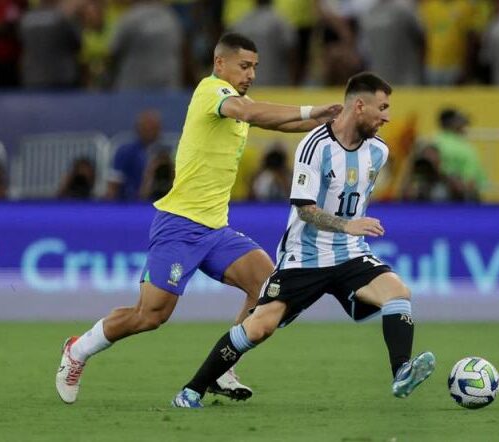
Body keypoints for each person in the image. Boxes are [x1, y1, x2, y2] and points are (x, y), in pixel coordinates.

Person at [55, 32, 342, 405]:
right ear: (220, 63)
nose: (250, 73)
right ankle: (78, 350)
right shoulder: (212, 92)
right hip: (179, 225)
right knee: (151, 315)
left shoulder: (240, 103)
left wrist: (334, 123)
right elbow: (253, 112)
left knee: (267, 285)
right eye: (244, 66)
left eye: (255, 67)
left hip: (216, 230)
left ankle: (223, 366)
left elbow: (279, 124)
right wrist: (313, 110)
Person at [171, 72, 435, 409]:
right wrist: (347, 225)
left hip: (350, 255)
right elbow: (306, 210)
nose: (387, 116)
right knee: (259, 328)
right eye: (382, 108)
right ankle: (192, 390)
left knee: (398, 293)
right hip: (304, 257)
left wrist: (349, 233)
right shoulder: (315, 145)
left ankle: (402, 373)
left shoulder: (379, 152)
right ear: (359, 106)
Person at [106, 109, 171, 201]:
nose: (150, 131)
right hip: (130, 203)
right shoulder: (124, 152)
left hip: (162, 203)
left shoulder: (167, 153)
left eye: (153, 128)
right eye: (146, 128)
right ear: (138, 128)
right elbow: (113, 184)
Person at [432, 108, 486, 201]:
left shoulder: (460, 141)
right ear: (450, 123)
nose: (464, 124)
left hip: (469, 190)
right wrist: (455, 182)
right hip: (454, 193)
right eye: (460, 120)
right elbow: (439, 166)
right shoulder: (440, 142)